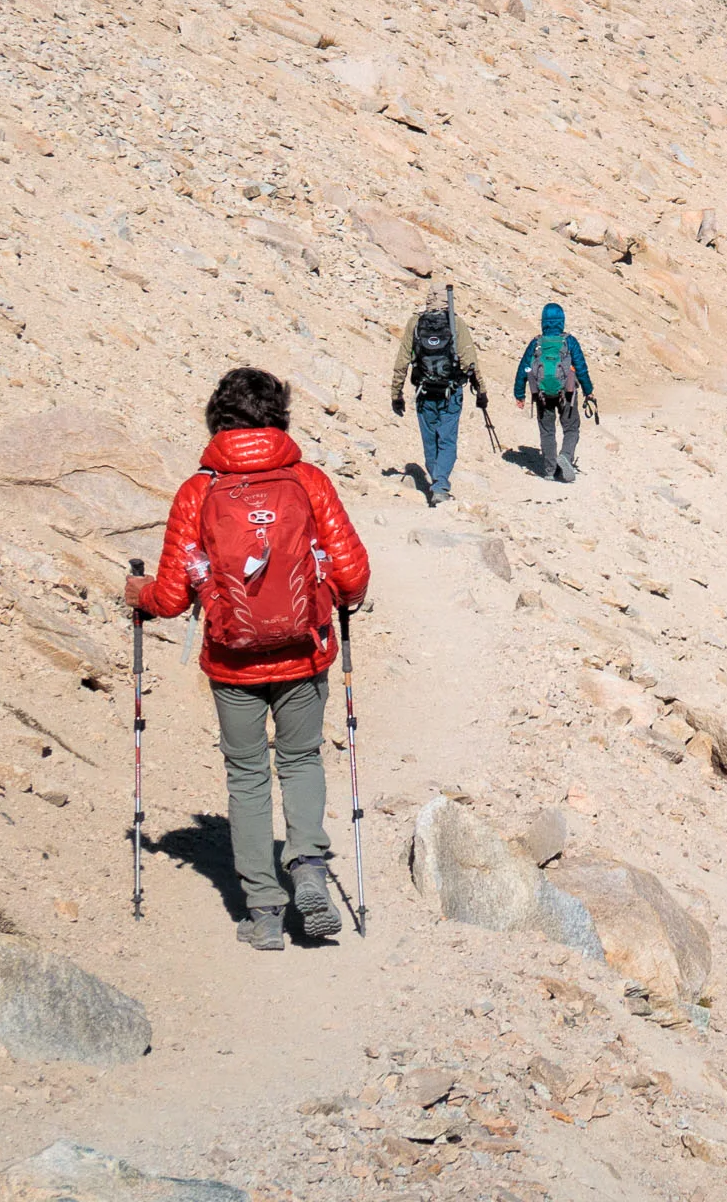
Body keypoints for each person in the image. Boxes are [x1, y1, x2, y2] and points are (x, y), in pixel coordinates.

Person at [129, 368, 371, 951]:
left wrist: (133, 594)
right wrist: (332, 598)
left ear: (218, 418)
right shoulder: (307, 482)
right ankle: (309, 865)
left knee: (246, 776)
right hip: (302, 654)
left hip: (232, 661)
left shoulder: (198, 491)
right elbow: (353, 574)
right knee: (301, 760)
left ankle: (263, 910)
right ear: (280, 417)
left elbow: (168, 597)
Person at [388, 281, 484, 504]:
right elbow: (470, 359)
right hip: (450, 392)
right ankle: (440, 486)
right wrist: (481, 390)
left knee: (430, 441)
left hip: (424, 392)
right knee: (447, 440)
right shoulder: (455, 324)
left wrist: (396, 393)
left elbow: (402, 360)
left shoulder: (415, 323)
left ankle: (435, 482)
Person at [513, 301, 598, 483]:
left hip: (542, 394)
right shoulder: (569, 342)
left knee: (547, 431)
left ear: (543, 320)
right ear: (562, 320)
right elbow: (581, 368)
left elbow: (524, 369)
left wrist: (519, 394)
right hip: (566, 393)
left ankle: (550, 470)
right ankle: (566, 457)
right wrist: (588, 391)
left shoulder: (536, 343)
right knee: (571, 428)